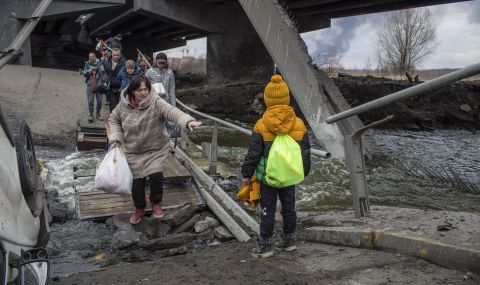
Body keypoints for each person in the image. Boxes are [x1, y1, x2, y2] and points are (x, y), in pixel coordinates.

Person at [108, 76, 202, 224]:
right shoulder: (122, 106)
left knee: (156, 175)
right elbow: (113, 121)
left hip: (155, 148)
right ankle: (139, 208)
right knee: (137, 182)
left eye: (146, 89)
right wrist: (115, 138)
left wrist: (187, 120)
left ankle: (156, 202)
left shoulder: (156, 102)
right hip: (132, 150)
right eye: (140, 90)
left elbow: (171, 111)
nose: (144, 93)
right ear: (132, 91)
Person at [241, 74, 311, 258]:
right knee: (289, 208)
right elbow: (305, 153)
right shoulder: (299, 124)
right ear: (287, 98)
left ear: (267, 100)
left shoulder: (261, 124)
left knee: (268, 210)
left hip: (268, 177)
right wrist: (304, 172)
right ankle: (289, 241)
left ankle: (265, 246)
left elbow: (254, 153)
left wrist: (246, 174)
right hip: (289, 175)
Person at [80, 52, 102, 122]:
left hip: (99, 84)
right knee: (90, 101)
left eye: (92, 56)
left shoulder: (100, 63)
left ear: (95, 57)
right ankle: (91, 114)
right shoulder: (87, 64)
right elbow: (85, 74)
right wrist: (86, 72)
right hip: (90, 84)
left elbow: (103, 72)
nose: (90, 58)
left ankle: (98, 114)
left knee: (99, 101)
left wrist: (96, 69)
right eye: (89, 56)